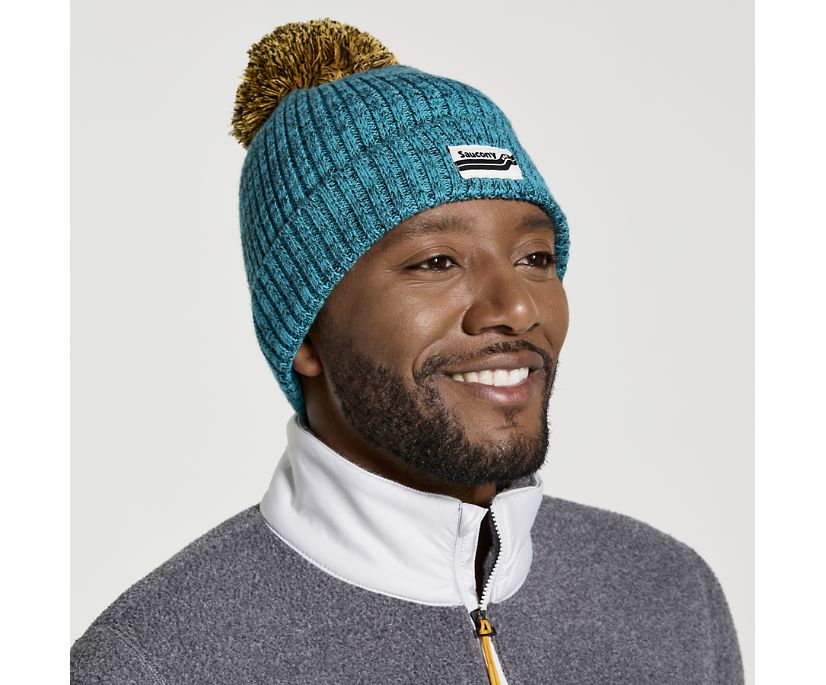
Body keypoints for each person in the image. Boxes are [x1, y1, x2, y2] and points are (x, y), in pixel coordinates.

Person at [71, 17, 745, 684]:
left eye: (535, 257)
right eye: (437, 261)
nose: (517, 308)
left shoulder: (669, 597)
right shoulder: (153, 664)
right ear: (305, 331)